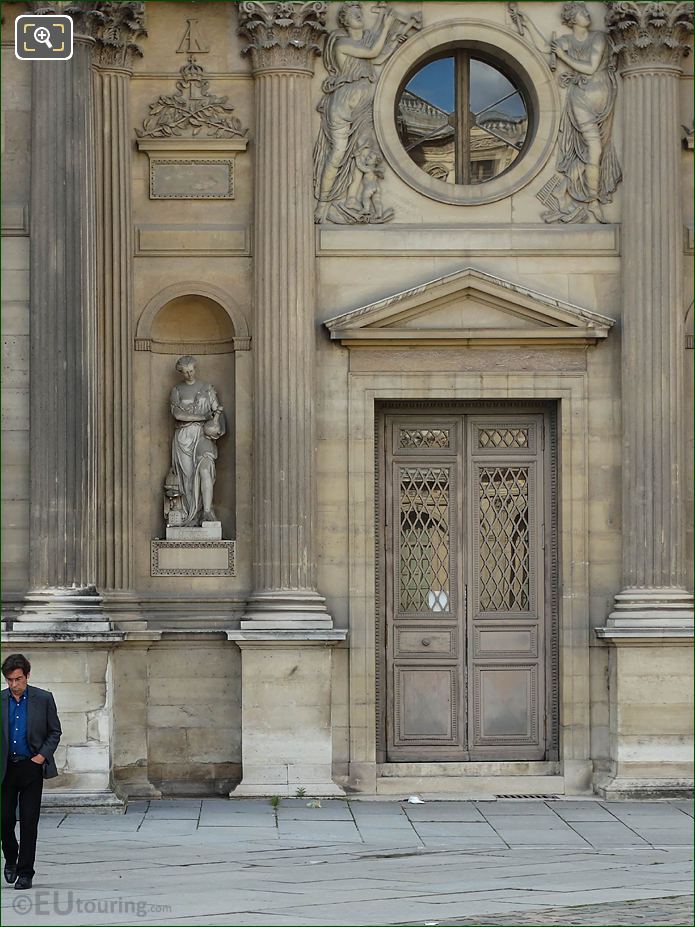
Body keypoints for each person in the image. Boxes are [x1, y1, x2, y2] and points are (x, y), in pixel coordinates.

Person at [543, 1, 622, 223]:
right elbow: (543, 48)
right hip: (580, 98)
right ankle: (593, 201)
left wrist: (562, 56)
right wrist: (553, 49)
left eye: (586, 10)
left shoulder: (599, 37)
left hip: (602, 99)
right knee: (594, 149)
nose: (587, 13)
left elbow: (590, 67)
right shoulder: (566, 40)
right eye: (581, 12)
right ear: (571, 18)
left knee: (590, 152)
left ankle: (562, 189)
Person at [1, 653, 61, 890]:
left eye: (18, 679)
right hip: (5, 769)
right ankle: (11, 858)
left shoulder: (43, 699)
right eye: (9, 680)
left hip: (31, 767)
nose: (14, 685)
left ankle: (26, 872)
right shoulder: (1, 699)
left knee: (28, 821)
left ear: (27, 675)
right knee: (4, 820)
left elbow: (54, 732)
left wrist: (40, 757)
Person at [169, 355, 225, 527]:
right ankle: (189, 514)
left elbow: (217, 413)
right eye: (185, 372)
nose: (189, 374)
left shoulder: (207, 388)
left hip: (203, 435)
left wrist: (215, 422)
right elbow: (177, 414)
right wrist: (202, 416)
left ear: (195, 369)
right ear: (181, 373)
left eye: (191, 370)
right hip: (183, 437)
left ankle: (207, 511)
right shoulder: (176, 390)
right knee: (187, 478)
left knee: (205, 468)